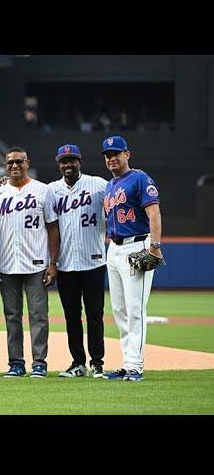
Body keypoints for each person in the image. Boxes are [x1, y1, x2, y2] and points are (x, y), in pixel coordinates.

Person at [0, 146, 60, 379]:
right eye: (10, 163)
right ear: (5, 166)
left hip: (36, 263)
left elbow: (52, 228)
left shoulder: (43, 190)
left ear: (27, 163)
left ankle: (39, 363)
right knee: (12, 316)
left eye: (19, 162)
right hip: (7, 264)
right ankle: (16, 363)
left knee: (38, 315)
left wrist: (52, 263)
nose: (15, 166)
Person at [101, 136, 162, 381]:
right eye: (107, 155)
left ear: (127, 154)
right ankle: (127, 363)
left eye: (116, 153)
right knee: (119, 310)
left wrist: (155, 247)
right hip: (113, 249)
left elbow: (154, 213)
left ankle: (136, 365)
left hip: (137, 245)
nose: (112, 158)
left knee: (135, 309)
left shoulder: (140, 179)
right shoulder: (110, 185)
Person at [48, 144, 108, 378]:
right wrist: (3, 181)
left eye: (72, 160)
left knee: (95, 315)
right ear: (59, 164)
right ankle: (78, 363)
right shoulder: (52, 190)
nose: (68, 164)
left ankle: (98, 362)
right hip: (65, 264)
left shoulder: (98, 184)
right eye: (64, 161)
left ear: (79, 161)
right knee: (71, 316)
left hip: (93, 261)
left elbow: (118, 196)